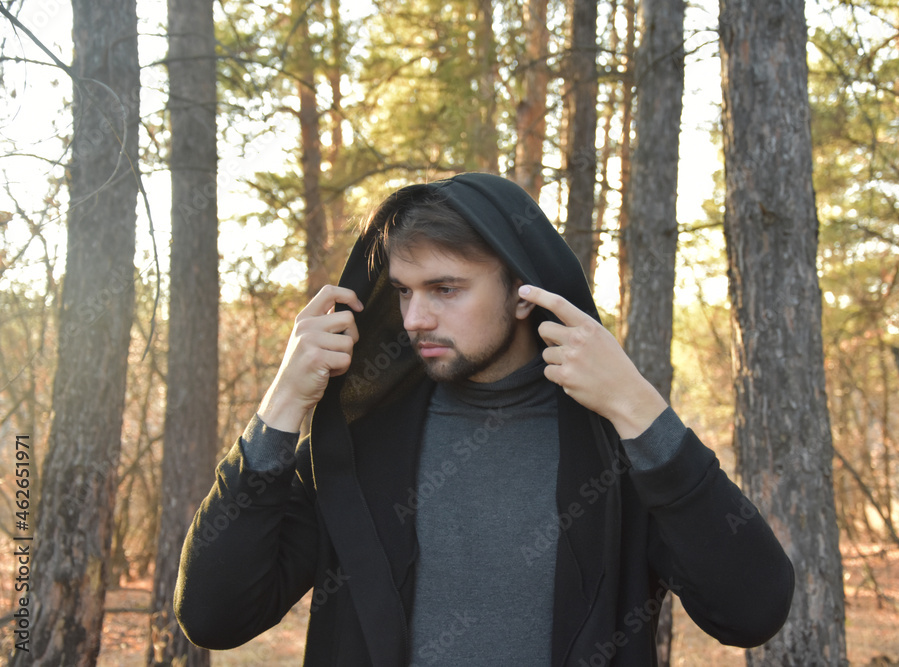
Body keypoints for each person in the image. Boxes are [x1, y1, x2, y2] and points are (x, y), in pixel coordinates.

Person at [174, 172, 794, 666]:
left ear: (522, 292)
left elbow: (752, 610)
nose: (415, 318)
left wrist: (639, 408)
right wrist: (281, 406)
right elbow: (213, 617)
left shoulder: (618, 448)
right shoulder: (359, 450)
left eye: (445, 289)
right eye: (404, 290)